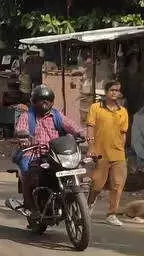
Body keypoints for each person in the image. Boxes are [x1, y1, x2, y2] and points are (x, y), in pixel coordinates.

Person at [14, 85, 85, 220]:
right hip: (34, 152)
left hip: (56, 152)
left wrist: (81, 133)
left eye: (47, 99)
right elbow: (21, 129)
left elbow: (71, 125)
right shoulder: (27, 116)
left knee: (76, 166)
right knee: (28, 172)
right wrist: (24, 137)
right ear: (34, 101)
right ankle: (31, 206)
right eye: (41, 100)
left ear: (52, 101)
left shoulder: (57, 115)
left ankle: (70, 197)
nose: (44, 102)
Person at [87, 81, 136, 225]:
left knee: (118, 184)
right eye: (112, 90)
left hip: (118, 153)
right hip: (100, 152)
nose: (115, 93)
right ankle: (88, 205)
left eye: (117, 90)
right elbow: (90, 127)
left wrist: (122, 148)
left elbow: (123, 133)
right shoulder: (96, 107)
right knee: (97, 183)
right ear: (107, 91)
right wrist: (91, 146)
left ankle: (111, 214)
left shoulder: (123, 111)